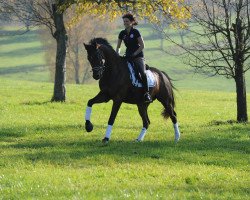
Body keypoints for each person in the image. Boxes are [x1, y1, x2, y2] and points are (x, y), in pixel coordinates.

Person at [116, 13, 152, 103]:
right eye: (124, 21)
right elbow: (118, 47)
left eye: (127, 21)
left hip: (138, 56)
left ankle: (147, 94)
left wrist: (135, 54)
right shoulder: (122, 33)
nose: (125, 23)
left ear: (131, 22)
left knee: (142, 73)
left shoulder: (136, 32)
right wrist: (117, 55)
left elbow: (142, 46)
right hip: (127, 56)